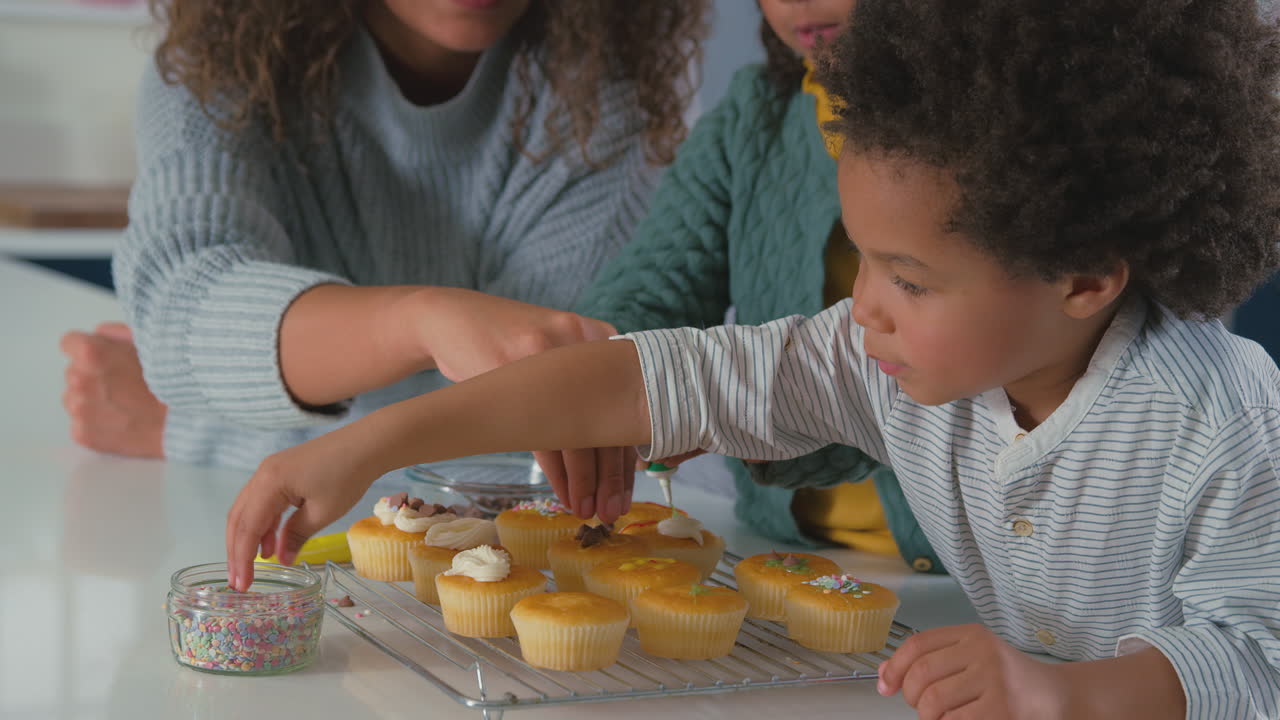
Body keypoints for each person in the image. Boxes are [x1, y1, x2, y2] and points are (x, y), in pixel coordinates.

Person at [225, 0, 1280, 716]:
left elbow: (1256, 655)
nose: (861, 307)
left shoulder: (1223, 423)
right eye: (858, 260)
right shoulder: (892, 363)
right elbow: (648, 374)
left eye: (907, 280)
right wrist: (370, 445)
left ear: (1085, 277)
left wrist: (1067, 696)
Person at [58, 0, 708, 523]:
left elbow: (535, 454)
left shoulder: (611, 87)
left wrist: (193, 431)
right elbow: (179, 320)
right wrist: (422, 322)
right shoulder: (220, 60)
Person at [574, 0, 941, 573]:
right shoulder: (755, 112)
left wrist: (737, 403)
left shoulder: (994, 120)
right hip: (779, 550)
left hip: (984, 587)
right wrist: (589, 360)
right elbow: (655, 289)